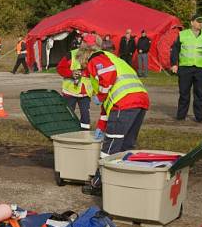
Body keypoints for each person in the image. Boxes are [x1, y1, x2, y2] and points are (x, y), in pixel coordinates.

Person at [74, 46, 149, 196]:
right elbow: (107, 107)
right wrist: (101, 126)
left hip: (124, 103)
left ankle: (99, 184)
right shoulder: (113, 59)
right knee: (127, 144)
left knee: (110, 146)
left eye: (81, 64)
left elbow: (108, 76)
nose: (83, 69)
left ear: (84, 59)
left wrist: (100, 96)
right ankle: (123, 179)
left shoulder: (96, 58)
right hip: (140, 101)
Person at [171, 15, 202, 123]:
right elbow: (175, 49)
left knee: (199, 93)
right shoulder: (183, 34)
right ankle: (181, 116)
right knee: (184, 93)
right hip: (185, 67)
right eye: (198, 21)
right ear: (192, 23)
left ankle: (200, 117)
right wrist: (174, 64)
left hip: (201, 68)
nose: (200, 23)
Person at [56, 45, 93, 129]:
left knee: (85, 115)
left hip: (85, 93)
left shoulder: (95, 55)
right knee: (68, 113)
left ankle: (84, 132)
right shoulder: (71, 55)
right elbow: (60, 68)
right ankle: (66, 130)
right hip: (70, 91)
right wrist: (71, 73)